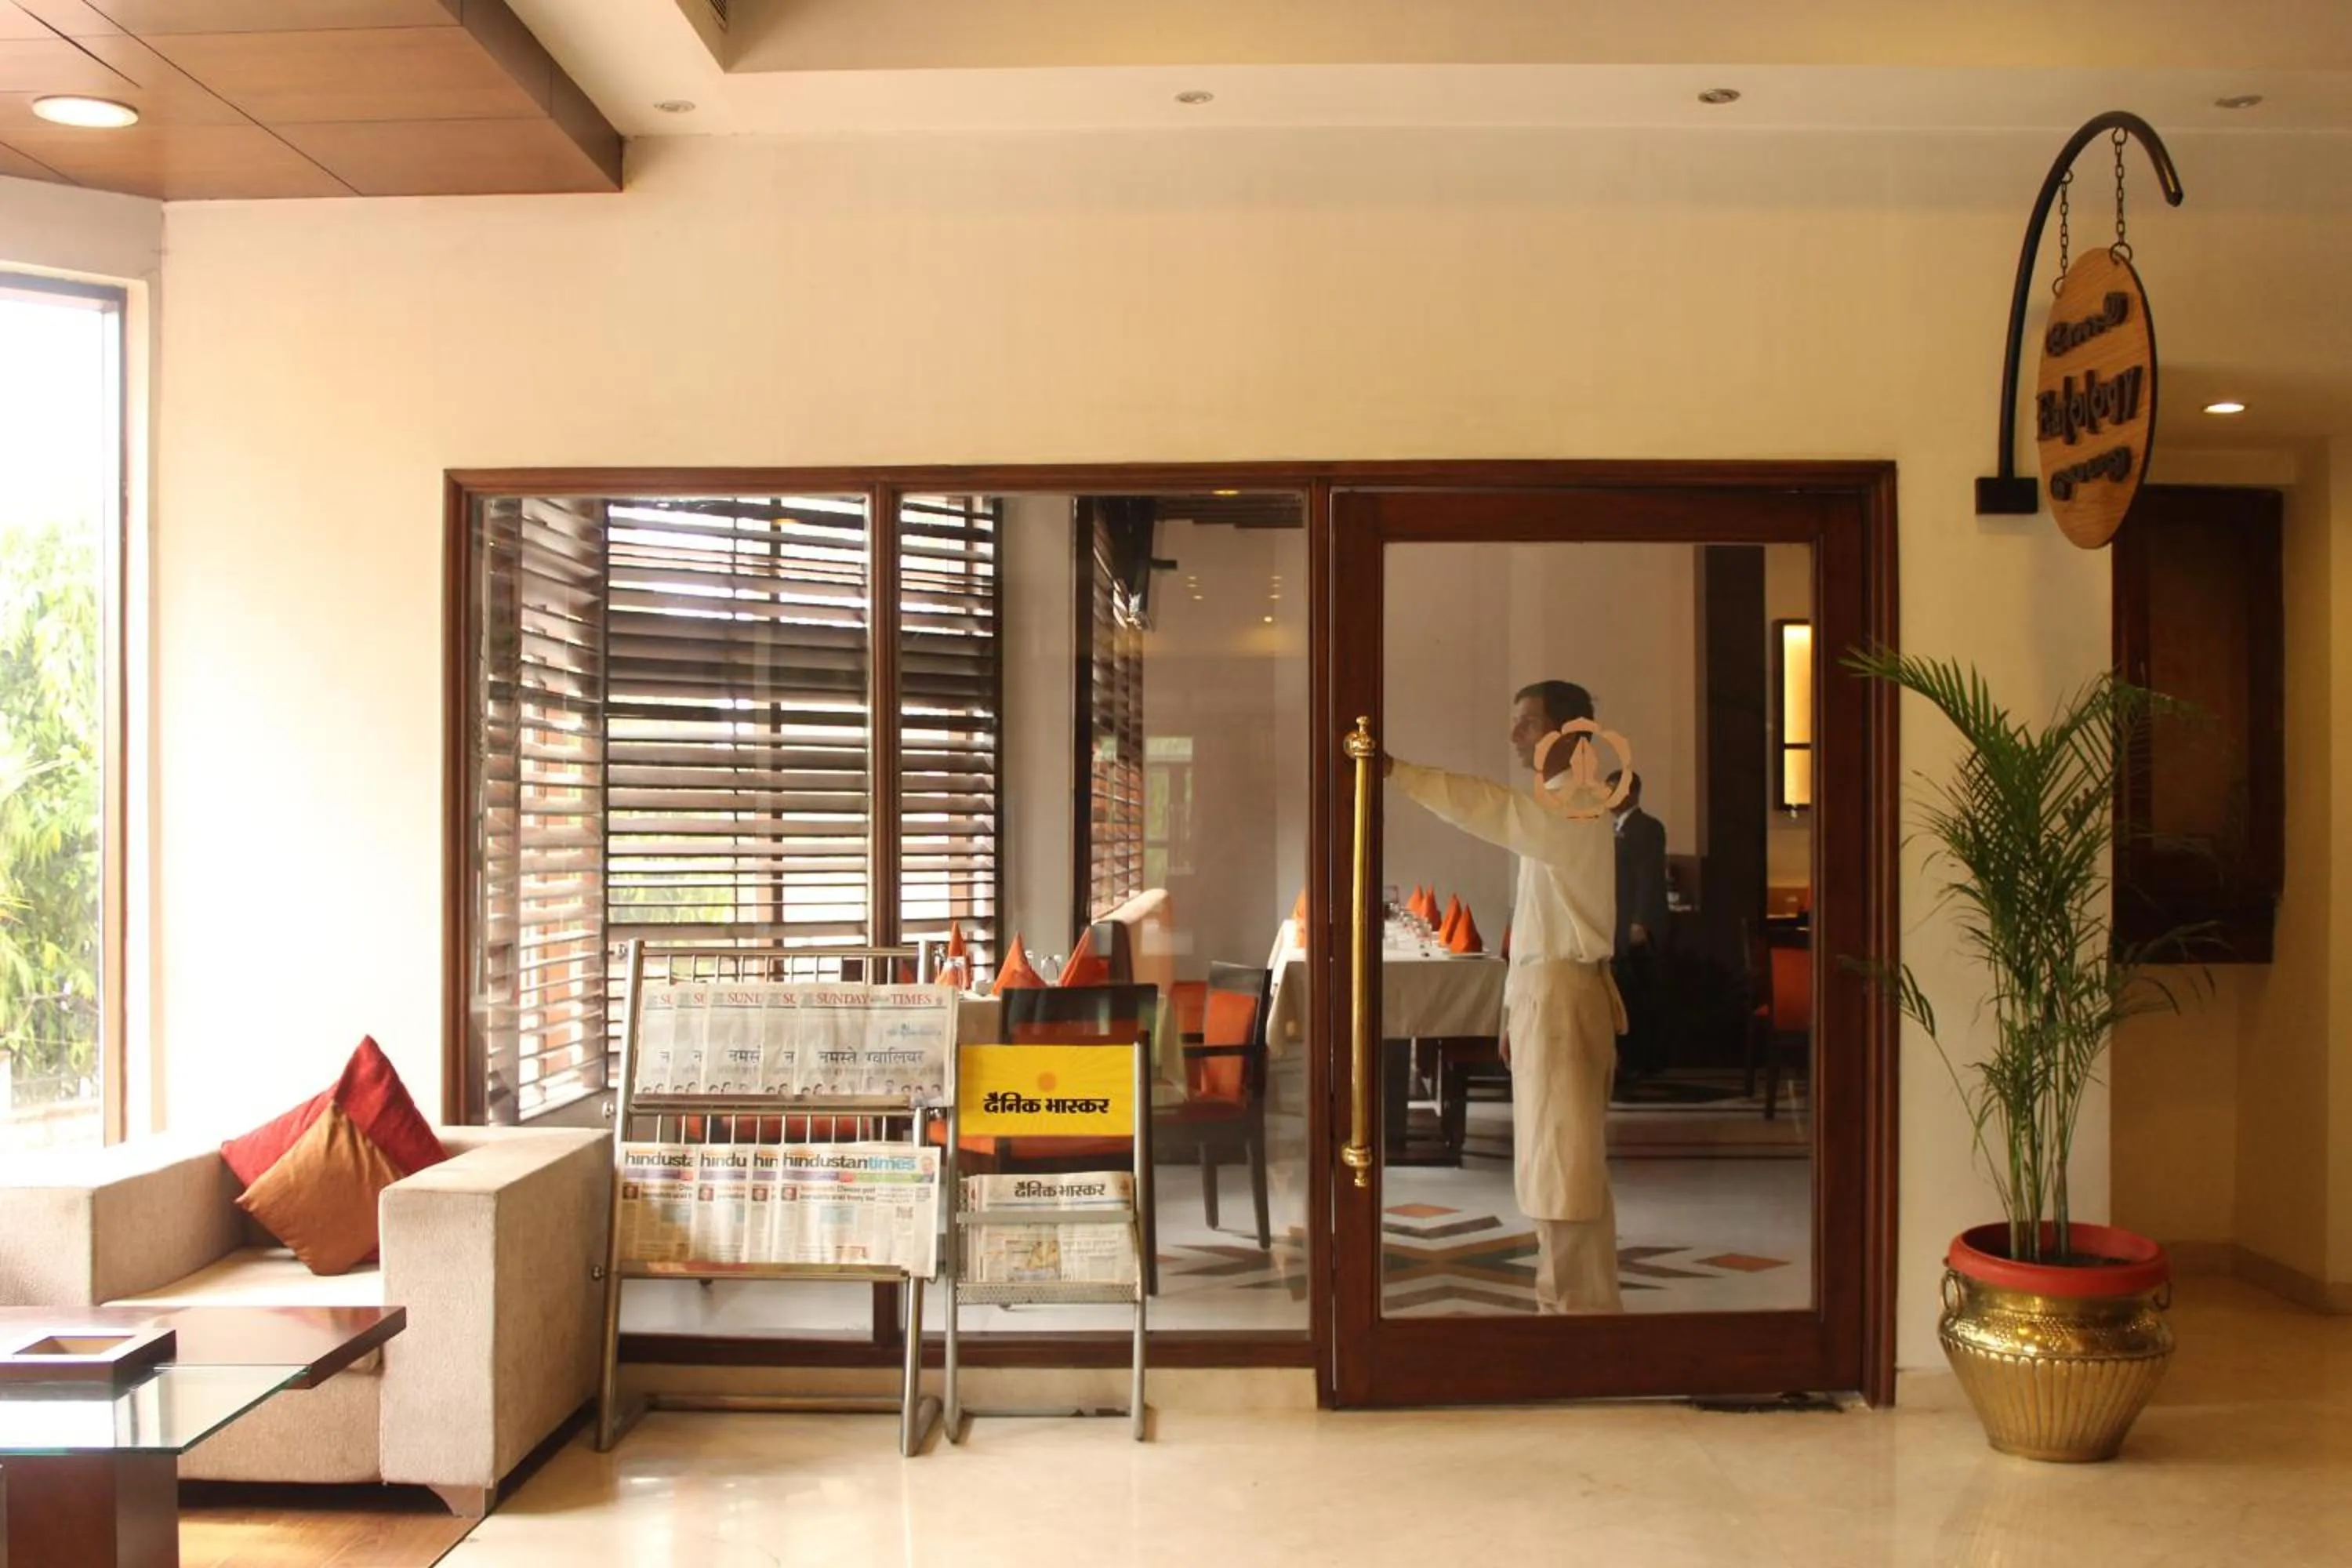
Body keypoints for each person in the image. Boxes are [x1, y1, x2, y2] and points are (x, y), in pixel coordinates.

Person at [1384, 679, 1625, 1314]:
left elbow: (1490, 808)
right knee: (1559, 1160)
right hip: (1549, 996)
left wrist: (1397, 772)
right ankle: (1579, 1307)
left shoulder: (1574, 801)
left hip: (1565, 997)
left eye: (1527, 722)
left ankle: (1577, 1315)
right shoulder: (1562, 800)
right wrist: (1516, 1007)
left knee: (1564, 1164)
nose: (1514, 735)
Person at [1608, 770, 1670, 1084]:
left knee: (1639, 995)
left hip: (1635, 923)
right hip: (1616, 924)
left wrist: (1641, 922)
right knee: (1624, 992)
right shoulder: (1613, 829)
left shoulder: (1647, 828)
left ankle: (1641, 1060)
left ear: (1631, 794)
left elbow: (1649, 879)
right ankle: (1624, 1057)